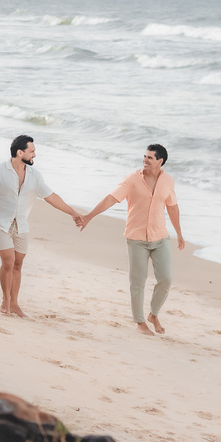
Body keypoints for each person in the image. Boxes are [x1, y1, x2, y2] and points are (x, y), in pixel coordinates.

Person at [81, 144, 186, 336]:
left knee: (166, 279)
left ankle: (153, 314)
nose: (145, 160)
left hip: (160, 237)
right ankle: (140, 322)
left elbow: (172, 207)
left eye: (150, 157)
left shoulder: (168, 181)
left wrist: (179, 233)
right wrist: (89, 216)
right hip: (136, 238)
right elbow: (111, 198)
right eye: (144, 156)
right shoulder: (132, 179)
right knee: (138, 281)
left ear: (160, 161)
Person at [0, 134, 84, 317]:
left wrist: (73, 212)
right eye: (32, 151)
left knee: (18, 264)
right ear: (20, 153)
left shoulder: (35, 175)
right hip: (0, 223)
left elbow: (51, 197)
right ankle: (6, 300)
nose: (35, 154)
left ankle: (14, 303)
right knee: (8, 261)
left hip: (21, 225)